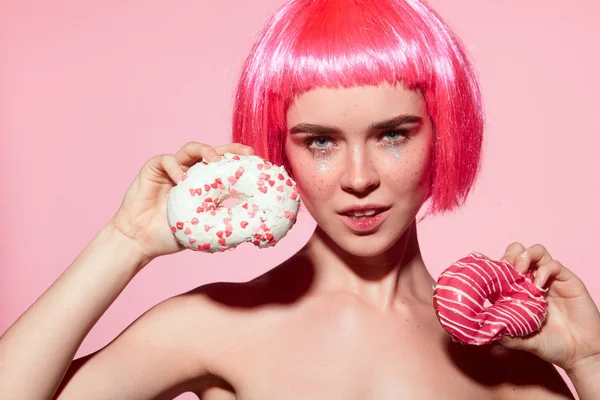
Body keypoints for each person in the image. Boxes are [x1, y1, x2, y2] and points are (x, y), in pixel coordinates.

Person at [1, 0, 599, 398]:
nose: (358, 177)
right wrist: (125, 242)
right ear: (279, 149)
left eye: (393, 134)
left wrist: (590, 362)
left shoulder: (511, 364)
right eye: (320, 142)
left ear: (446, 134)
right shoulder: (210, 326)